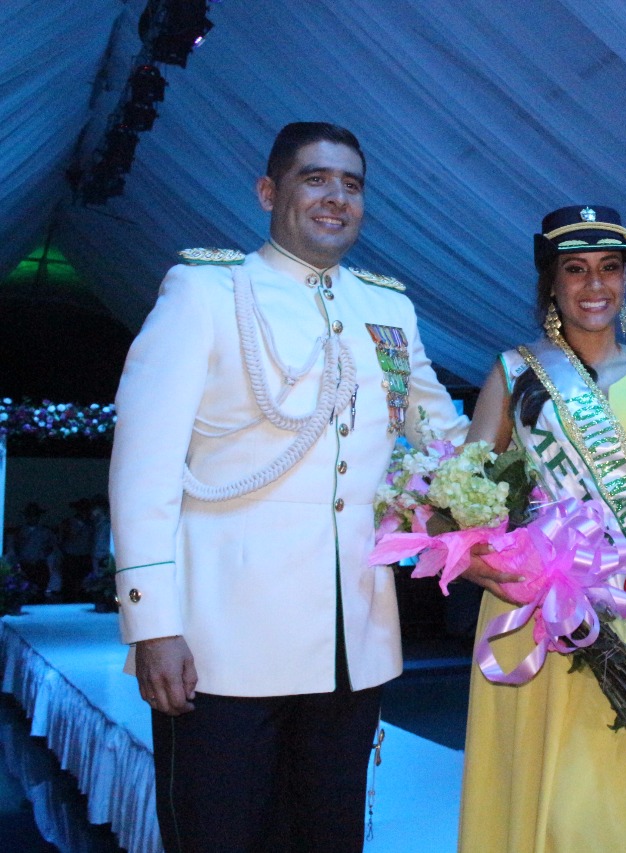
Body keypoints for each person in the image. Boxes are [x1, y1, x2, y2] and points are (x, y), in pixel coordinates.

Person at [109, 121, 468, 852]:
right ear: (269, 192)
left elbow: (447, 441)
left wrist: (541, 473)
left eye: (352, 184)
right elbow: (143, 466)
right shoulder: (206, 292)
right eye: (315, 178)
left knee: (327, 837)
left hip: (351, 643)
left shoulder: (387, 309)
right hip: (221, 640)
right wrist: (152, 624)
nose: (336, 197)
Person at [457, 205, 626, 853]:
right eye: (575, 269)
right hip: (533, 612)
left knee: (604, 794)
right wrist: (493, 564)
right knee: (544, 798)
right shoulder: (514, 372)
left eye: (609, 268)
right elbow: (462, 495)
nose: (594, 284)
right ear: (551, 282)